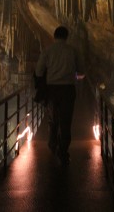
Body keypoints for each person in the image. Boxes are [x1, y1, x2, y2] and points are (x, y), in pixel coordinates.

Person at [35, 26, 85, 165]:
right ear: (66, 37)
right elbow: (81, 72)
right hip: (68, 89)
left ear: (54, 36)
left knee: (53, 118)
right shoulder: (72, 51)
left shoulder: (48, 51)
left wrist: (46, 77)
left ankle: (52, 144)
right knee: (66, 120)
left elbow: (39, 71)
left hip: (52, 90)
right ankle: (63, 151)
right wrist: (76, 79)